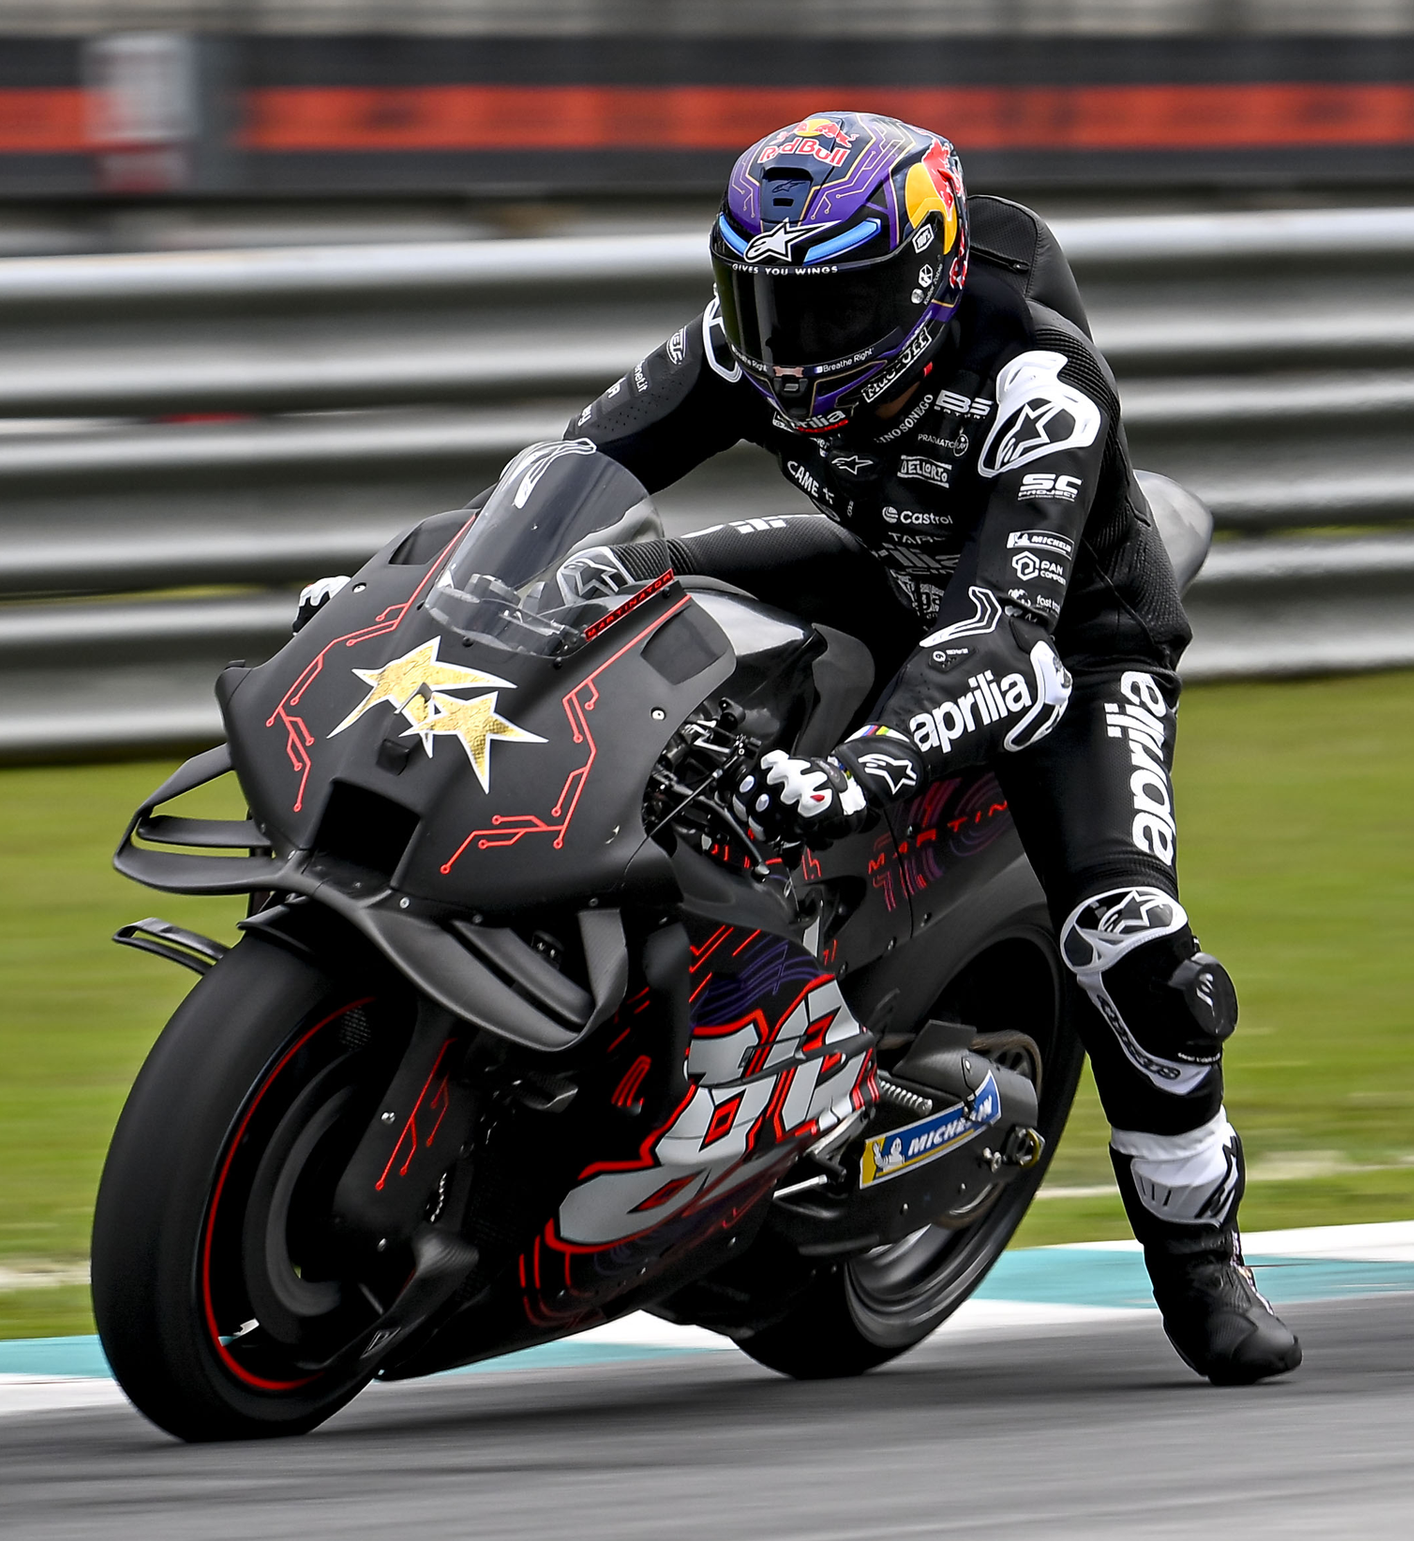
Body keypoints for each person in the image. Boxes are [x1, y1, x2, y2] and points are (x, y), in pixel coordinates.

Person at [552, 112, 1297, 1384]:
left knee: (1134, 945)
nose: (792, 344)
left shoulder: (1039, 383)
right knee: (603, 587)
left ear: (927, 278)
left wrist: (861, 769)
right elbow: (570, 474)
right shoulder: (741, 345)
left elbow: (1004, 637)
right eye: (767, 300)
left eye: (834, 305)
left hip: (1074, 646)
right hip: (886, 571)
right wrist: (418, 592)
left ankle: (1199, 1260)